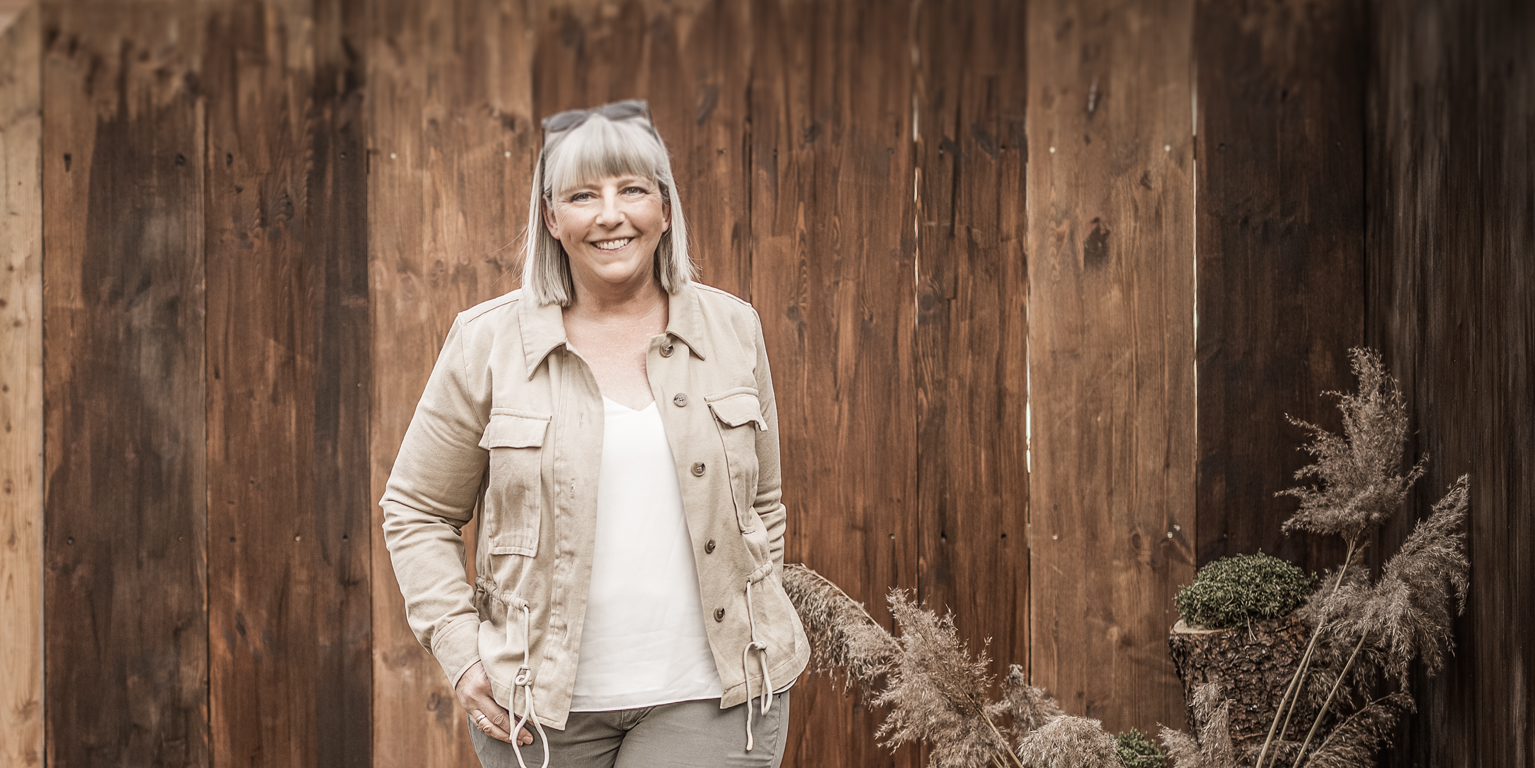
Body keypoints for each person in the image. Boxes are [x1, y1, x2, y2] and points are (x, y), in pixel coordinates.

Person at [380, 99, 809, 768]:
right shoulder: (487, 342)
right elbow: (417, 509)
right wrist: (463, 656)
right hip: (537, 708)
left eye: (632, 189)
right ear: (551, 218)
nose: (610, 214)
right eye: (582, 195)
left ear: (664, 209)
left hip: (712, 698)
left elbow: (764, 505)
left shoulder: (732, 329)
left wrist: (754, 608)